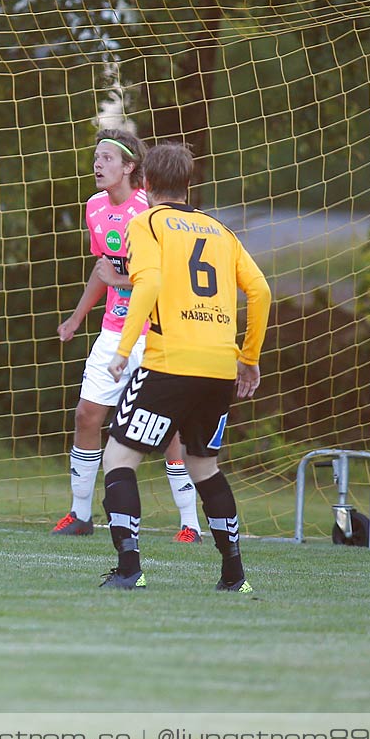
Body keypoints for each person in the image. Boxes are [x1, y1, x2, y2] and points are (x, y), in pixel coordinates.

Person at [98, 142, 270, 592]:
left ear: (146, 183)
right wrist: (247, 358)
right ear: (189, 183)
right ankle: (234, 576)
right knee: (203, 466)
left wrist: (123, 350)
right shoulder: (219, 230)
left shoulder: (147, 223)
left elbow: (149, 280)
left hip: (170, 361)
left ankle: (130, 568)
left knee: (118, 456)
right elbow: (261, 291)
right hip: (218, 367)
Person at [54, 130, 204, 541]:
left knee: (168, 429)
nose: (97, 165)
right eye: (96, 157)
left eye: (106, 158)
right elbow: (103, 271)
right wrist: (76, 318)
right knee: (87, 415)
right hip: (113, 331)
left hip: (155, 333)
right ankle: (80, 514)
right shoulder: (95, 208)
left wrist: (117, 275)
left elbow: (165, 280)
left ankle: (190, 523)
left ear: (129, 167)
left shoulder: (150, 213)